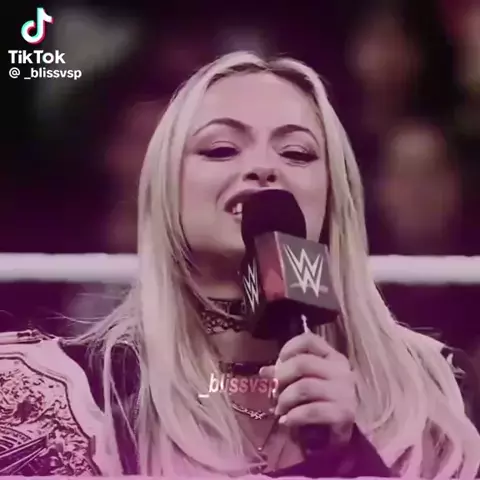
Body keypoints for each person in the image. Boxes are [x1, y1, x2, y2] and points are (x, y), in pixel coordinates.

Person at [1, 51, 479, 478]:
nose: (264, 168)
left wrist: (349, 459)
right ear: (166, 189)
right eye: (222, 149)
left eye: (296, 153)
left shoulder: (436, 394)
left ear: (334, 194)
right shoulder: (65, 396)